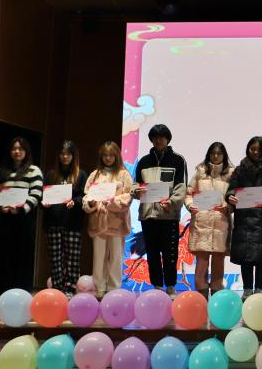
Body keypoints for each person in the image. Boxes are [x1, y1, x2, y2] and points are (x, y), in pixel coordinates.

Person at [133, 124, 188, 296]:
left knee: (170, 254)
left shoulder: (178, 160)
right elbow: (135, 184)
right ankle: (156, 286)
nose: (158, 140)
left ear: (167, 139)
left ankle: (171, 286)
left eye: (162, 137)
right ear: (151, 139)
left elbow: (181, 186)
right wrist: (136, 191)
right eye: (155, 137)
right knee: (152, 254)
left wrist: (172, 202)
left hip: (168, 215)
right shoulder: (143, 161)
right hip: (148, 216)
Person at [226, 136, 262, 299]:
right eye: (252, 149)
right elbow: (231, 188)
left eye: (259, 149)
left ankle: (260, 290)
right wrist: (230, 196)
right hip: (244, 217)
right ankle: (247, 289)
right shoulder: (240, 169)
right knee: (245, 256)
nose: (255, 152)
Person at [0, 137, 43, 293]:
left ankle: (21, 292)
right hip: (5, 219)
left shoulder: (33, 170)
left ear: (26, 151)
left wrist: (21, 209)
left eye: (20, 149)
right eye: (14, 149)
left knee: (22, 255)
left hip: (23, 219)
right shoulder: (2, 171)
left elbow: (36, 193)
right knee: (5, 255)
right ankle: (4, 292)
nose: (17, 152)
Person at [82, 141, 134, 297]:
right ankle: (99, 288)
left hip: (117, 222)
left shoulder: (124, 174)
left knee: (116, 257)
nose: (108, 158)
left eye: (111, 155)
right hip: (98, 221)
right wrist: (91, 203)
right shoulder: (95, 174)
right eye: (105, 155)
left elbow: (128, 197)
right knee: (99, 257)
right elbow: (86, 196)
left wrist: (112, 202)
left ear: (117, 155)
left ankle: (114, 289)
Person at [184, 142, 234, 298]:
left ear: (224, 155)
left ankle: (217, 291)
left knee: (219, 259)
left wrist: (229, 207)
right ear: (209, 155)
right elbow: (189, 193)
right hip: (202, 222)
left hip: (221, 222)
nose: (216, 156)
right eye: (213, 153)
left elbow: (234, 197)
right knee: (202, 260)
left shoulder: (231, 174)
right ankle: (201, 293)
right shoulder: (200, 172)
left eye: (219, 153)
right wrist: (190, 205)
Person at [42, 141, 88, 295]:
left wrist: (75, 202)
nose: (65, 157)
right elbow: (43, 196)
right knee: (55, 259)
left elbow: (85, 196)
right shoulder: (51, 175)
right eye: (62, 154)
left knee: (72, 258)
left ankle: (71, 288)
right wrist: (44, 203)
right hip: (52, 223)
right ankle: (57, 288)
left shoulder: (81, 175)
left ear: (73, 156)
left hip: (72, 222)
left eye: (68, 154)